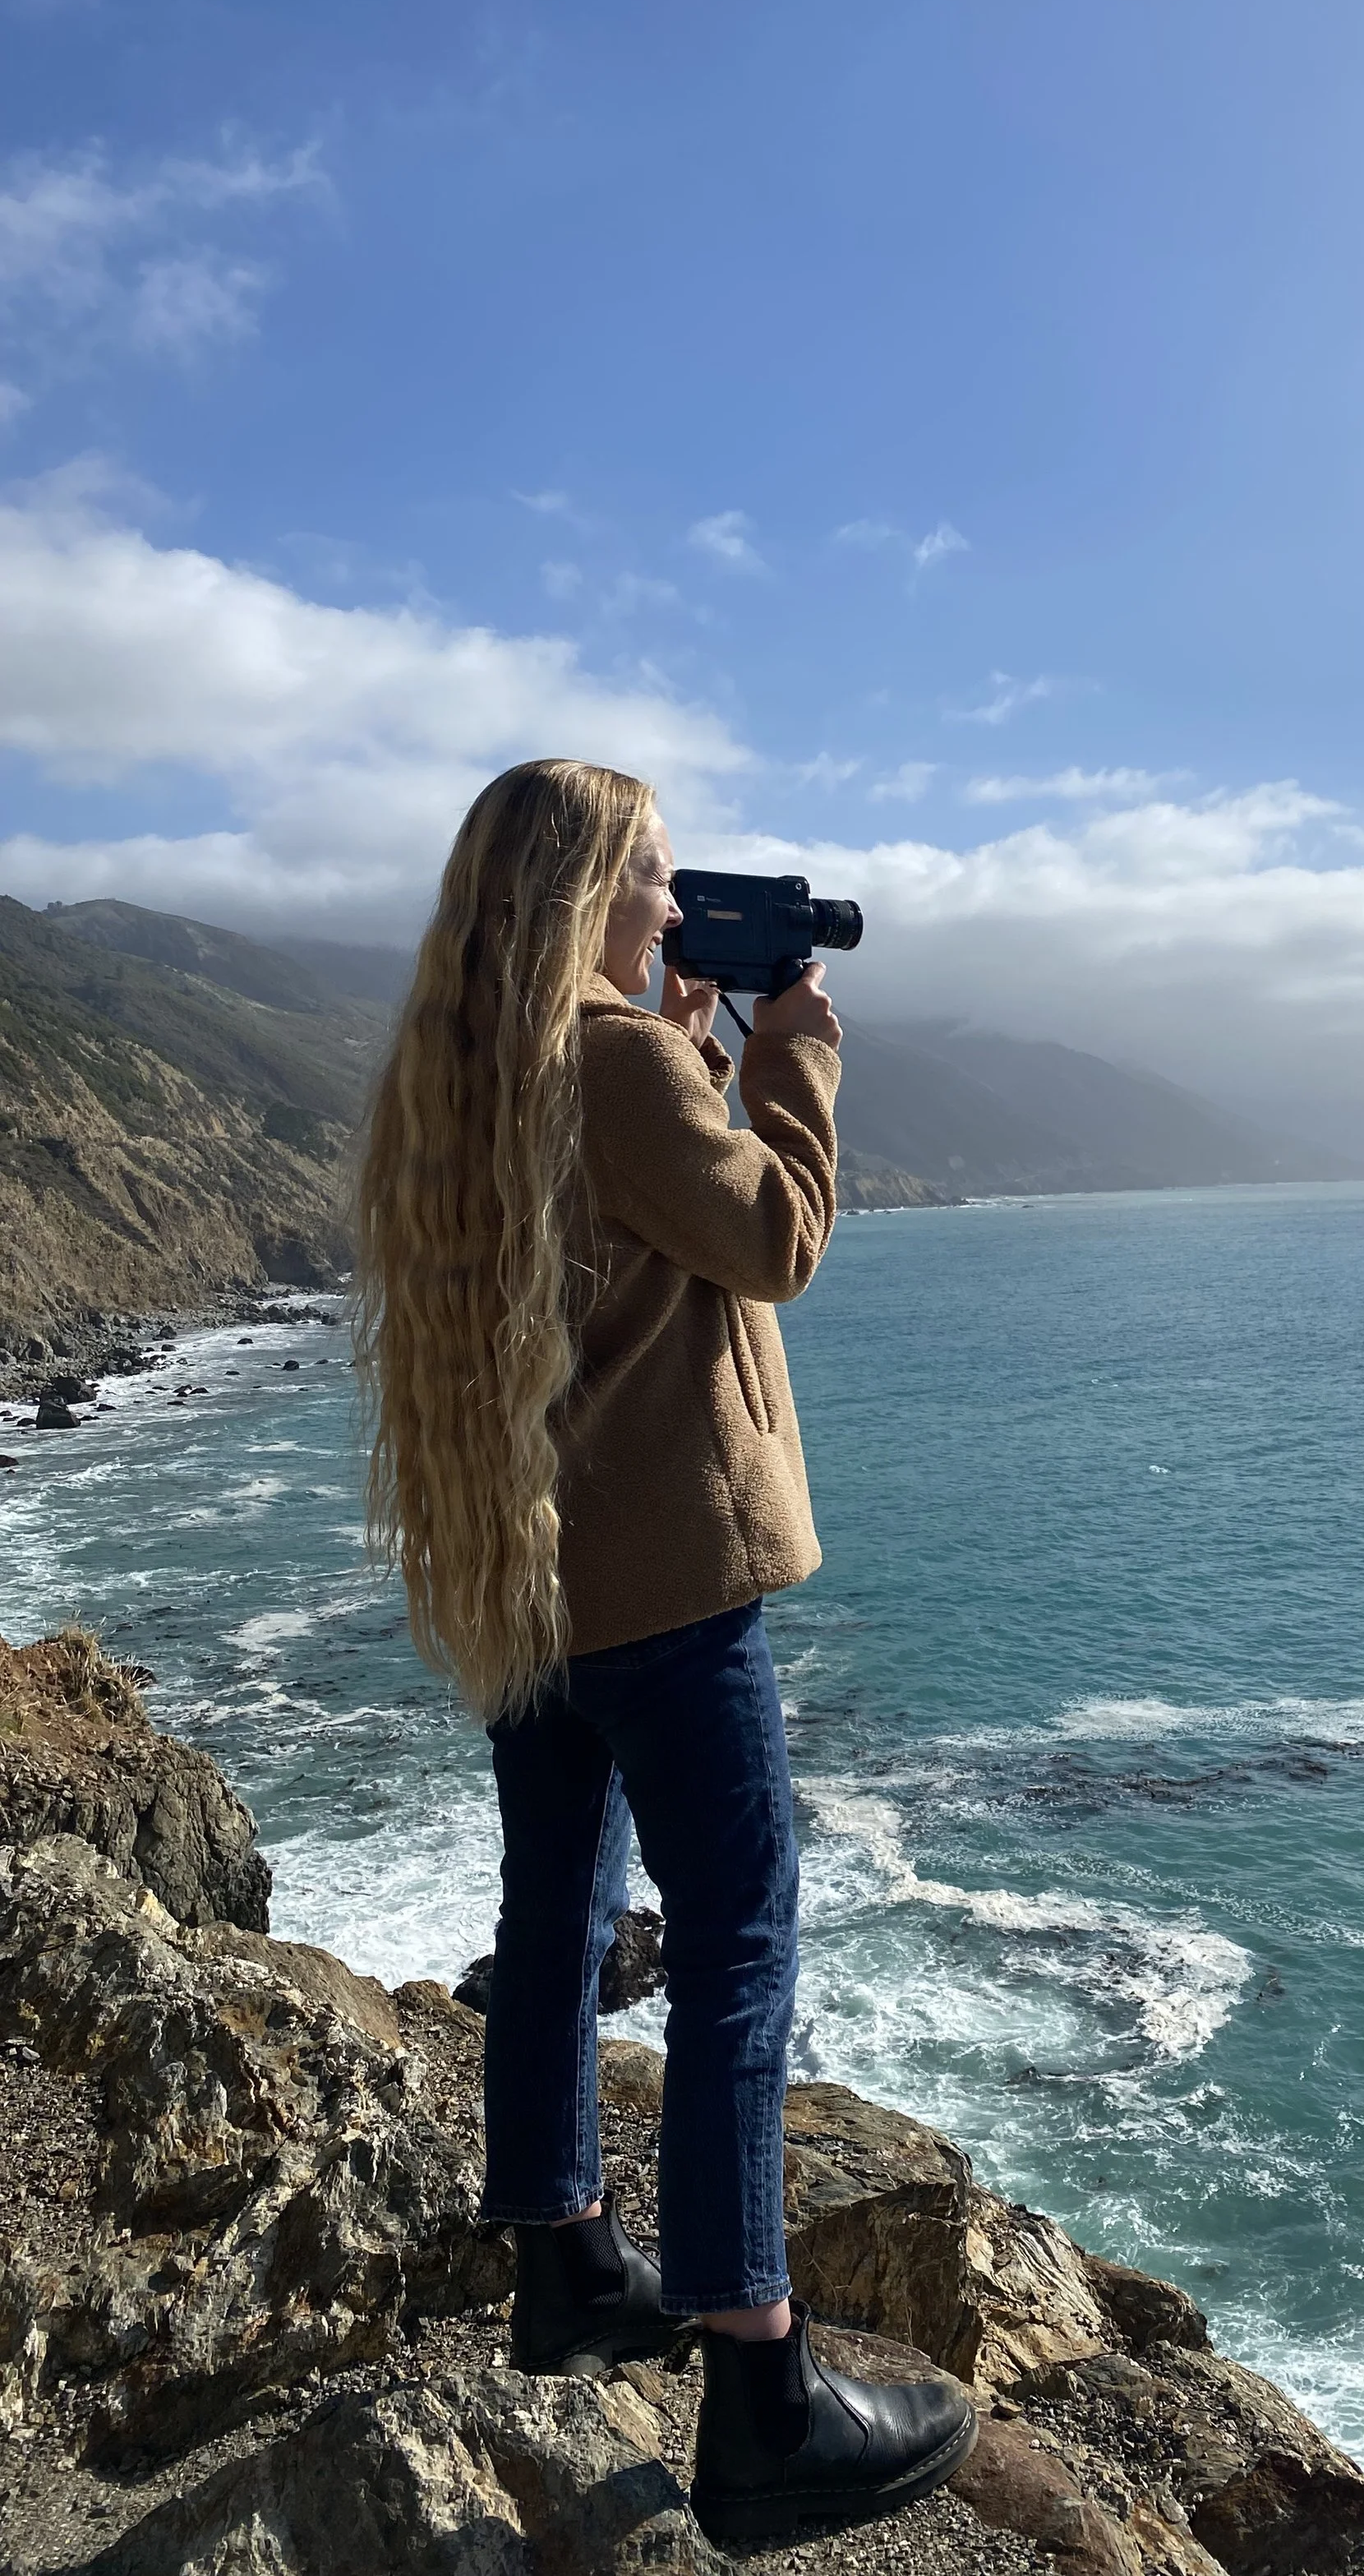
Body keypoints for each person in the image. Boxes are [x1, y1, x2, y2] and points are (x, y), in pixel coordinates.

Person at [353, 758, 975, 2544]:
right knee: (735, 1945)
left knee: (552, 1906)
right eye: (649, 872)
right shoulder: (617, 1059)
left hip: (531, 1571)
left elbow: (614, 1257)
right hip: (663, 1583)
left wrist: (685, 1034)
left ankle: (562, 2251)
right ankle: (759, 2383)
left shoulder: (470, 1070)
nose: (670, 901)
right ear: (581, 893)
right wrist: (790, 1037)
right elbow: (768, 1238)